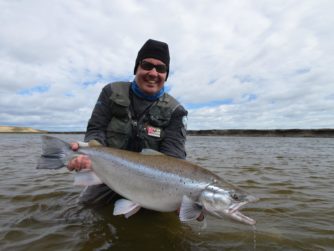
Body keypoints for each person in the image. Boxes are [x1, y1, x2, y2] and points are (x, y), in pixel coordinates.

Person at [67, 39, 203, 220]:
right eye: (147, 65)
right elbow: (96, 129)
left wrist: (187, 203)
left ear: (166, 75)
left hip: (153, 184)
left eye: (161, 69)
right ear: (136, 68)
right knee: (79, 215)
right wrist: (89, 156)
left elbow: (174, 158)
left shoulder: (176, 111)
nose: (153, 73)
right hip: (109, 172)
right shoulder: (110, 92)